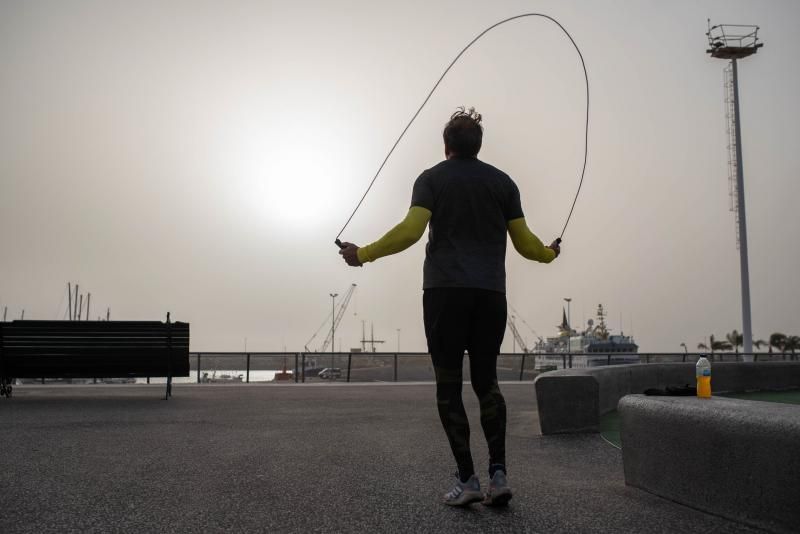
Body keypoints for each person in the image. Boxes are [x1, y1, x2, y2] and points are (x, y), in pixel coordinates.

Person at [339, 107, 559, 507]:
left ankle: (467, 479)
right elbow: (527, 245)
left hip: (444, 294)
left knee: (448, 385)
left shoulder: (432, 179)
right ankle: (499, 474)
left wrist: (364, 253)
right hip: (490, 295)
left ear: (446, 146)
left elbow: (410, 231)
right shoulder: (503, 183)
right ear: (479, 145)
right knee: (487, 383)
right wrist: (550, 254)